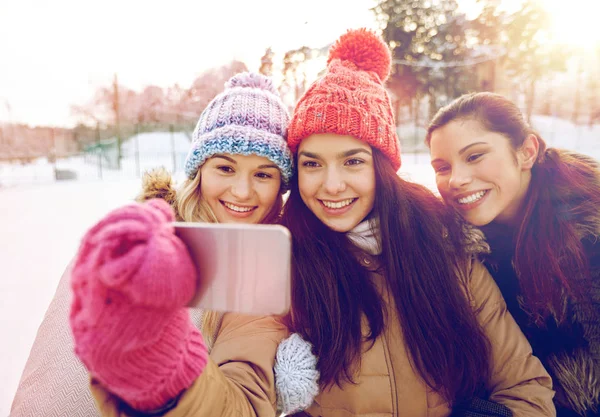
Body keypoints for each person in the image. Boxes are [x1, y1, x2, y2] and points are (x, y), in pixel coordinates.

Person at [277, 29, 556, 417]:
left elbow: (527, 392)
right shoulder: (281, 265)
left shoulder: (447, 251)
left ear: (383, 168)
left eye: (353, 160)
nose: (332, 184)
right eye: (312, 163)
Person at [67, 71, 297, 416]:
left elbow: (244, 402)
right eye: (225, 167)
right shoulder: (138, 236)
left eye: (263, 174)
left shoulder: (263, 273)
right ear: (200, 169)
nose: (242, 191)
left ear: (280, 186)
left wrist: (161, 363)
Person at [426, 92, 600, 417]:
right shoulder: (458, 252)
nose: (457, 180)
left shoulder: (589, 231)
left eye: (475, 156)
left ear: (527, 152)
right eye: (442, 167)